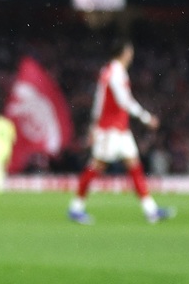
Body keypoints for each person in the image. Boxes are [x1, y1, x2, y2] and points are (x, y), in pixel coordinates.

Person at [68, 38, 174, 225]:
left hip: (120, 129)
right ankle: (76, 208)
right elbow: (124, 101)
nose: (131, 55)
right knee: (97, 166)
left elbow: (100, 101)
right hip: (110, 130)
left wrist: (93, 125)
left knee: (134, 165)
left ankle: (150, 210)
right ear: (124, 53)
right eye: (130, 51)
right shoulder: (116, 73)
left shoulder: (110, 71)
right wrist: (146, 117)